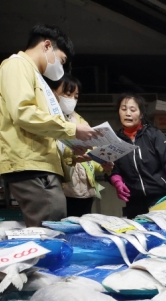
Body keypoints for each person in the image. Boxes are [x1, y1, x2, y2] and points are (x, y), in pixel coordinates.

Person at [0, 24, 98, 227]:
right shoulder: (16, 66)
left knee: (53, 226)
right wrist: (73, 129)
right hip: (32, 166)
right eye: (62, 60)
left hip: (41, 165)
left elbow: (44, 133)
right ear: (47, 45)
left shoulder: (36, 77)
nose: (60, 67)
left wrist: (71, 155)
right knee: (49, 231)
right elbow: (24, 113)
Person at [49, 74, 114, 217]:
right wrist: (74, 157)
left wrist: (103, 165)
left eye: (76, 96)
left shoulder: (80, 121)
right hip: (63, 188)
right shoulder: (49, 121)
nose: (72, 99)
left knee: (82, 229)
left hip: (85, 190)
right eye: (67, 94)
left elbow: (92, 154)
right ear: (53, 93)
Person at [110, 94, 166, 218]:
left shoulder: (154, 135)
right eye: (123, 109)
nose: (128, 113)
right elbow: (113, 168)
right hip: (134, 202)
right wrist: (117, 183)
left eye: (133, 110)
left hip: (160, 198)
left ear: (141, 114)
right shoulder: (114, 141)